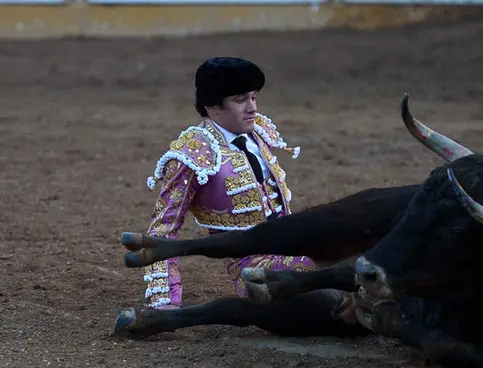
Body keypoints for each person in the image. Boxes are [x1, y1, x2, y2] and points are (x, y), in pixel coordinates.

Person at [112, 57, 363, 338]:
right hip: (253, 264)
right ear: (212, 106)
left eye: (254, 97)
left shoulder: (259, 132)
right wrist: (167, 303)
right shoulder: (192, 156)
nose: (253, 107)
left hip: (295, 241)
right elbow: (163, 230)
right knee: (341, 282)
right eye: (240, 99)